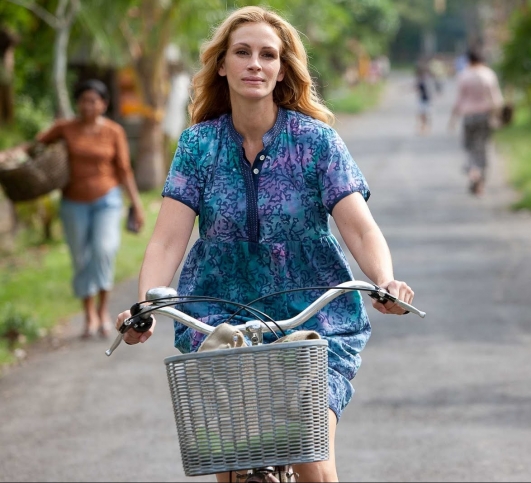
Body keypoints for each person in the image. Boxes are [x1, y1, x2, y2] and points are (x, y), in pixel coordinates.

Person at [115, 6, 414, 482]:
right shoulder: (198, 146)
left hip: (313, 317)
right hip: (219, 315)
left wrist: (385, 281)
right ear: (222, 65)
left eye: (268, 55)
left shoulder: (316, 142)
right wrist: (145, 305)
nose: (255, 63)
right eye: (242, 52)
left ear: (281, 69)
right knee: (230, 462)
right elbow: (168, 239)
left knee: (312, 458)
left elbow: (359, 227)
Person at [37, 79, 145, 338]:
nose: (88, 106)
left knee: (103, 250)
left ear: (103, 104)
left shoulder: (114, 131)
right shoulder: (65, 128)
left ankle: (103, 310)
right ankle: (89, 315)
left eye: (93, 101)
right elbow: (36, 145)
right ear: (78, 103)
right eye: (84, 100)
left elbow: (124, 170)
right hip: (73, 203)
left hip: (107, 200)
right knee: (81, 258)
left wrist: (136, 204)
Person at [449, 48, 504, 196]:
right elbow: (496, 99)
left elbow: (459, 100)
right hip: (484, 116)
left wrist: (453, 119)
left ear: (469, 60)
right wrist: (498, 116)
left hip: (468, 117)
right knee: (482, 147)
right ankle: (480, 180)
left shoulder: (464, 75)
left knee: (470, 147)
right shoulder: (488, 74)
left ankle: (473, 170)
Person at [415, 57, 433, 134]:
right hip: (423, 98)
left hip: (426, 99)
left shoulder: (425, 79)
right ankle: (423, 127)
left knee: (425, 114)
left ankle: (425, 128)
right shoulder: (422, 79)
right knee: (422, 114)